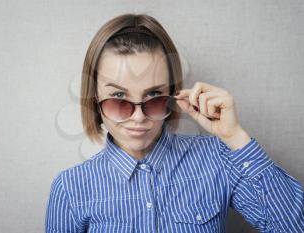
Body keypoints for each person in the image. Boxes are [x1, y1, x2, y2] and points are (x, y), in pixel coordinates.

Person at [45, 13, 304, 233]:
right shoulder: (71, 188)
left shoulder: (218, 158)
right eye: (118, 98)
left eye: (154, 96)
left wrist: (235, 137)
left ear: (173, 93)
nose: (138, 118)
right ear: (95, 98)